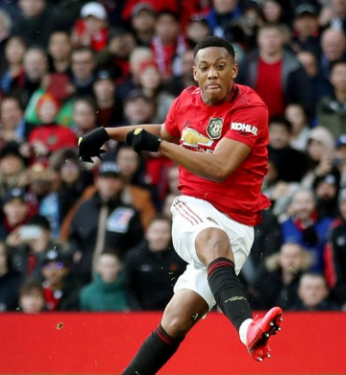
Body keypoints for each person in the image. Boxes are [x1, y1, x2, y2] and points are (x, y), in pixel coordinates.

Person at [78, 36, 283, 369]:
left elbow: (220, 167)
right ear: (194, 73)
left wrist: (159, 146)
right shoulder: (185, 101)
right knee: (214, 241)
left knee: (176, 320)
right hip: (195, 208)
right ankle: (248, 329)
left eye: (220, 67)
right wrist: (107, 132)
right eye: (204, 68)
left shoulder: (250, 108)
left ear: (234, 70)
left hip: (240, 226)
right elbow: (165, 129)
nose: (212, 74)